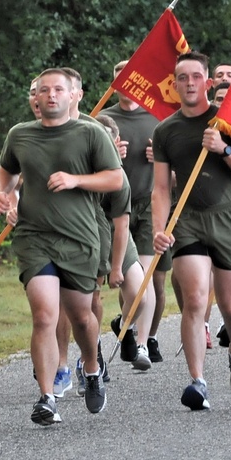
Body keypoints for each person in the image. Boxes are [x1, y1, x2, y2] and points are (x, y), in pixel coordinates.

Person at [0, 68, 124, 425]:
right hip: (34, 237)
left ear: (73, 96)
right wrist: (1, 195)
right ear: (35, 98)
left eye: (58, 90)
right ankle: (47, 397)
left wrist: (75, 179)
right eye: (44, 90)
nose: (50, 95)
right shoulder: (19, 135)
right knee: (45, 315)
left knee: (82, 317)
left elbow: (115, 179)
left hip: (79, 239)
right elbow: (6, 171)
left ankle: (92, 366)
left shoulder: (91, 133)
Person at [152, 51, 231, 410]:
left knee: (229, 304)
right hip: (188, 218)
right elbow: (161, 188)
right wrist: (159, 228)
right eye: (183, 77)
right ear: (175, 84)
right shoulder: (166, 130)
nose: (190, 83)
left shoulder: (229, 121)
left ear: (208, 83)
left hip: (229, 217)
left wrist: (224, 148)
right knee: (195, 300)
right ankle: (197, 381)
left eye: (197, 76)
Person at [101, 59, 170, 363]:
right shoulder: (102, 118)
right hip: (114, 207)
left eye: (130, 77)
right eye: (119, 78)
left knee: (146, 278)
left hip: (149, 202)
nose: (124, 84)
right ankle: (126, 325)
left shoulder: (158, 118)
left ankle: (142, 342)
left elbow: (178, 170)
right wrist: (110, 155)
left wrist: (161, 158)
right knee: (129, 277)